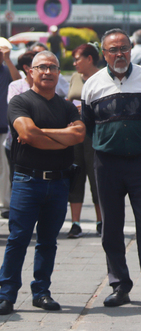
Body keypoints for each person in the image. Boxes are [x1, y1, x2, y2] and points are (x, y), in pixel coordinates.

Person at [81, 28, 141, 313]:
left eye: (124, 48)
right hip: (107, 165)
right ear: (103, 53)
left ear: (131, 49)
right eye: (113, 49)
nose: (119, 54)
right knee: (111, 228)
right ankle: (120, 285)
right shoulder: (92, 85)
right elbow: (88, 125)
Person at [0, 51, 85, 315]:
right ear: (31, 72)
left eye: (53, 67)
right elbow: (25, 133)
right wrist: (61, 136)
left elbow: (79, 134)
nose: (48, 72)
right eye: (42, 67)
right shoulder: (20, 102)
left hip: (59, 183)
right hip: (27, 180)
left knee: (48, 241)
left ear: (59, 73)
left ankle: (41, 292)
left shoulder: (67, 106)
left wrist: (41, 133)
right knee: (18, 239)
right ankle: (6, 295)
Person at [65, 43, 103, 238]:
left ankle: (100, 221)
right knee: (75, 175)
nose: (75, 63)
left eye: (78, 58)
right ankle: (76, 223)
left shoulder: (104, 77)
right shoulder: (74, 77)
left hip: (94, 134)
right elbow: (68, 100)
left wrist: (89, 111)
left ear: (90, 59)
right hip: (74, 135)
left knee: (96, 177)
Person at [4, 52, 36, 190]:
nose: (46, 71)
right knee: (17, 182)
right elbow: (16, 111)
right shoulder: (16, 86)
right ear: (28, 68)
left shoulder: (50, 86)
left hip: (41, 144)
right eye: (39, 66)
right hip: (15, 143)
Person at [0, 41, 22, 218]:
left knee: (6, 168)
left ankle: (5, 202)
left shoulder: (7, 70)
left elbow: (19, 82)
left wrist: (8, 60)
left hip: (3, 127)